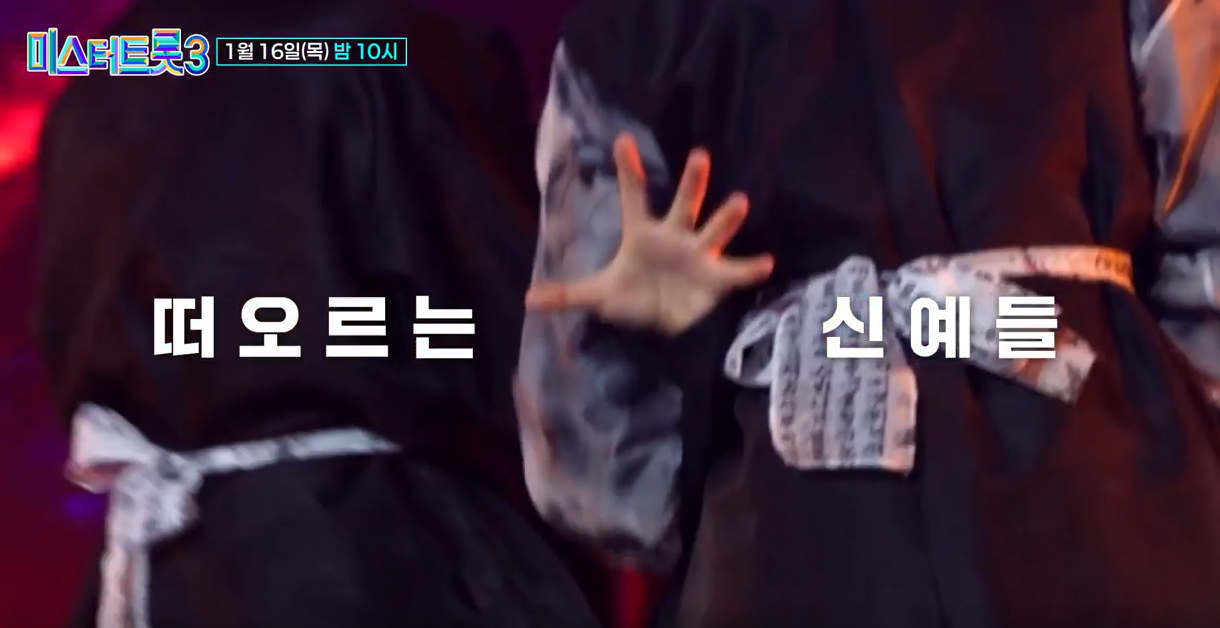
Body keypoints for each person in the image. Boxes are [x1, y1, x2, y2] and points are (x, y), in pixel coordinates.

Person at [515, 0, 1220, 626]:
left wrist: (693, 347)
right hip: (1108, 495)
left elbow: (603, 475)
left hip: (795, 536)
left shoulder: (627, 34)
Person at [36, 1, 605, 627]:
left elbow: (73, 333)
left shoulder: (107, 75)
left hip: (170, 562)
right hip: (381, 553)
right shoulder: (387, 46)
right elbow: (513, 334)